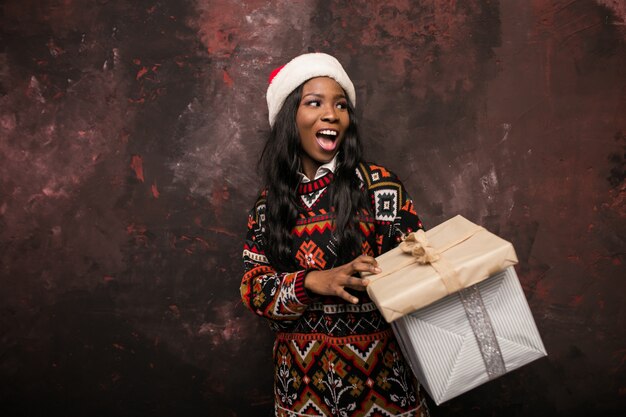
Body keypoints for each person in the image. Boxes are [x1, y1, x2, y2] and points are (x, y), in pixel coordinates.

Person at [240, 52, 429, 417]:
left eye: (341, 105)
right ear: (289, 118)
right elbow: (253, 289)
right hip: (300, 398)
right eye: (315, 103)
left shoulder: (379, 187)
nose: (331, 114)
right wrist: (313, 282)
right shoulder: (268, 206)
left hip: (385, 396)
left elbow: (419, 271)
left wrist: (411, 264)